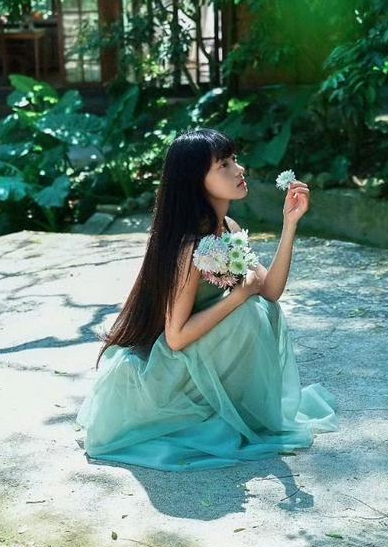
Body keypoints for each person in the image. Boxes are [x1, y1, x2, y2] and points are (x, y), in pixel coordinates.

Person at [76, 128, 339, 471]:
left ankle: (235, 406)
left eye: (235, 160)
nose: (239, 169)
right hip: (173, 371)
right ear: (196, 180)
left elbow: (270, 290)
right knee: (248, 311)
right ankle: (219, 411)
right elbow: (176, 337)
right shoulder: (190, 246)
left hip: (202, 356)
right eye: (223, 165)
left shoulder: (228, 227)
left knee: (261, 308)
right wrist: (239, 295)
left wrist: (289, 224)